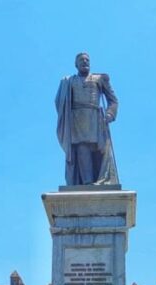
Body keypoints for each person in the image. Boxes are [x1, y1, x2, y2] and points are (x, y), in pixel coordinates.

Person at [55, 53, 119, 186]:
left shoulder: (99, 79)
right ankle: (87, 182)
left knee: (99, 150)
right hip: (77, 120)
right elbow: (59, 102)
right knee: (82, 149)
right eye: (81, 60)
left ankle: (101, 180)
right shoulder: (69, 81)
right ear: (76, 64)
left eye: (87, 60)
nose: (85, 62)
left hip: (96, 119)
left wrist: (110, 114)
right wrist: (67, 116)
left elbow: (113, 100)